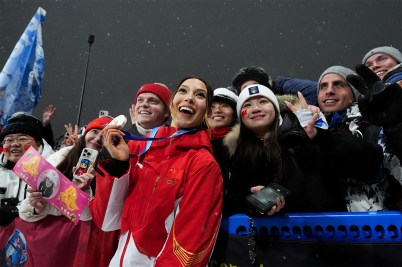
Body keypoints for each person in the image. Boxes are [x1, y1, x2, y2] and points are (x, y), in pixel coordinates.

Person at [89, 76, 223, 266]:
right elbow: (106, 220)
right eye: (183, 91)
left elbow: (190, 246)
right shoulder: (140, 148)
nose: (189, 98)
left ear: (207, 112)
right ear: (172, 103)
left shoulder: (203, 164)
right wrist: (117, 167)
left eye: (199, 95)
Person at [19, 116, 119, 267]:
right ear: (86, 133)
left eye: (105, 136)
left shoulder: (111, 169)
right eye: (95, 132)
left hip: (83, 239)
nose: (98, 138)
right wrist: (37, 207)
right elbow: (31, 204)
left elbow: (91, 216)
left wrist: (83, 192)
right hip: (48, 234)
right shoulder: (62, 156)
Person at [316, 65, 401, 211]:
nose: (329, 91)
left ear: (355, 93)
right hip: (337, 227)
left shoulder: (375, 124)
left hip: (383, 224)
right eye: (323, 86)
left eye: (338, 84)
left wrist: (395, 126)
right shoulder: (310, 128)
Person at [0, 113, 54, 226]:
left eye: (22, 139)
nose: (15, 144)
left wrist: (20, 211)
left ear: (39, 144)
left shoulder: (55, 169)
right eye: (8, 140)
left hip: (39, 238)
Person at [208, 87, 238, 217]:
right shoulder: (192, 142)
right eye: (212, 106)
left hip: (236, 219)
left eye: (225, 106)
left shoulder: (247, 144)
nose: (217, 110)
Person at [231, 65, 318, 105]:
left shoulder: (284, 86)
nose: (252, 90)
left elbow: (318, 92)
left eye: (255, 85)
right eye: (246, 88)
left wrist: (275, 103)